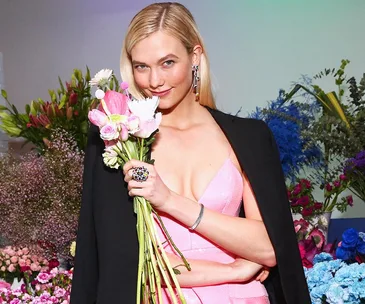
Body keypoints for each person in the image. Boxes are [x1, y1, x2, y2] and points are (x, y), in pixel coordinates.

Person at [70, 2, 311, 304]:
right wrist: (234, 270)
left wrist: (170, 201)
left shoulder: (248, 138)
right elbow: (124, 266)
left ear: (195, 56)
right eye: (142, 66)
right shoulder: (116, 137)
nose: (154, 81)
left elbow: (272, 247)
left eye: (168, 63)